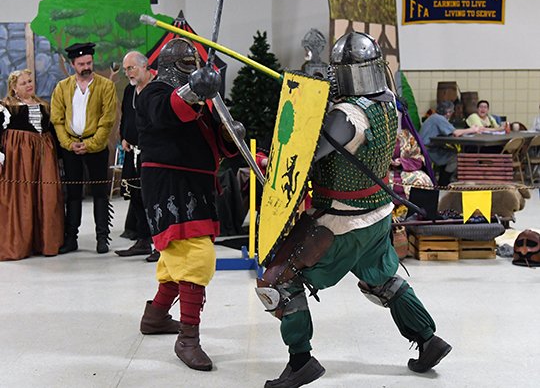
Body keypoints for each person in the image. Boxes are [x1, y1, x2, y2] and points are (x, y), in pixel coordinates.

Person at [258, 32, 452, 388]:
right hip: (378, 215)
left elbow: (301, 158)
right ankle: (428, 339)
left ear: (342, 72)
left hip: (341, 221)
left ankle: (301, 361)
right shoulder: (388, 102)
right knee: (384, 280)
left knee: (279, 282)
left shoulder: (346, 115)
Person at [136, 38, 240, 372]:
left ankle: (154, 317)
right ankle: (188, 338)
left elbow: (222, 146)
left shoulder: (206, 102)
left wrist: (230, 131)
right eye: (186, 64)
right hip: (168, 184)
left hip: (199, 186)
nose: (190, 69)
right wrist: (194, 90)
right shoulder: (152, 92)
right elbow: (166, 111)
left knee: (176, 257)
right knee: (196, 256)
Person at [50, 42, 117, 254]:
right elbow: (57, 119)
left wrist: (90, 144)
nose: (86, 66)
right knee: (73, 194)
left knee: (99, 193)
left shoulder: (106, 86)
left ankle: (102, 237)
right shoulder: (62, 87)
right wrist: (69, 144)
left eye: (89, 62)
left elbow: (107, 121)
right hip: (70, 146)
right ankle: (71, 239)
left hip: (96, 147)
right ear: (73, 64)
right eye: (81, 64)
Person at [0, 69, 64, 261]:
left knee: (47, 196)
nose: (28, 85)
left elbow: (50, 132)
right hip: (19, 158)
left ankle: (44, 241)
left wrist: (59, 157)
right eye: (23, 83)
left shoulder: (43, 105)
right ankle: (20, 243)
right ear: (13, 87)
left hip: (44, 156)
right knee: (22, 197)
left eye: (30, 81)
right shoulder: (6, 107)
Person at [114, 51, 157, 261]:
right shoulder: (130, 91)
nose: (128, 73)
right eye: (125, 69)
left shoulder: (157, 89)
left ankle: (160, 243)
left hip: (152, 152)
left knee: (153, 198)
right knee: (136, 197)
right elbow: (125, 116)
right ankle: (142, 240)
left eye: (131, 68)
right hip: (132, 151)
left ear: (144, 67)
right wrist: (123, 137)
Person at [419, 101, 482, 186]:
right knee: (455, 157)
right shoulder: (439, 118)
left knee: (452, 150)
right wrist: (472, 130)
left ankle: (442, 180)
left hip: (428, 147)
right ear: (448, 112)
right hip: (428, 150)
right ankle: (443, 183)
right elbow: (455, 133)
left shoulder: (434, 117)